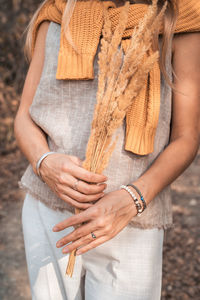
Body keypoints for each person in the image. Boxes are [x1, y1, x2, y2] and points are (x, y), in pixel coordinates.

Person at [14, 0, 200, 299]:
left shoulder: (180, 21)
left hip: (132, 220)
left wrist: (132, 199)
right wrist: (44, 162)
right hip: (49, 210)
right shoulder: (58, 12)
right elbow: (24, 116)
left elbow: (187, 138)